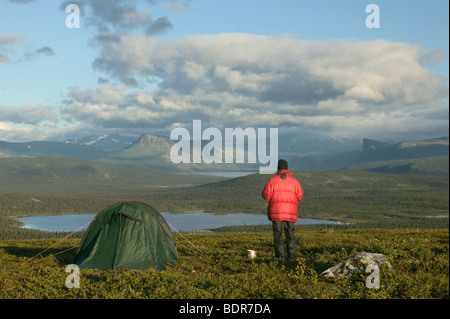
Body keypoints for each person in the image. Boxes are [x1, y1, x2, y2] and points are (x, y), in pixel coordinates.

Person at [262, 159, 304, 261]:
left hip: (276, 213)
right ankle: (292, 258)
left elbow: (266, 196)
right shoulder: (295, 182)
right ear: (287, 168)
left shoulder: (272, 180)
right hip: (290, 213)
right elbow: (300, 196)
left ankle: (280, 258)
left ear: (278, 168)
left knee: (278, 235)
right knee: (290, 235)